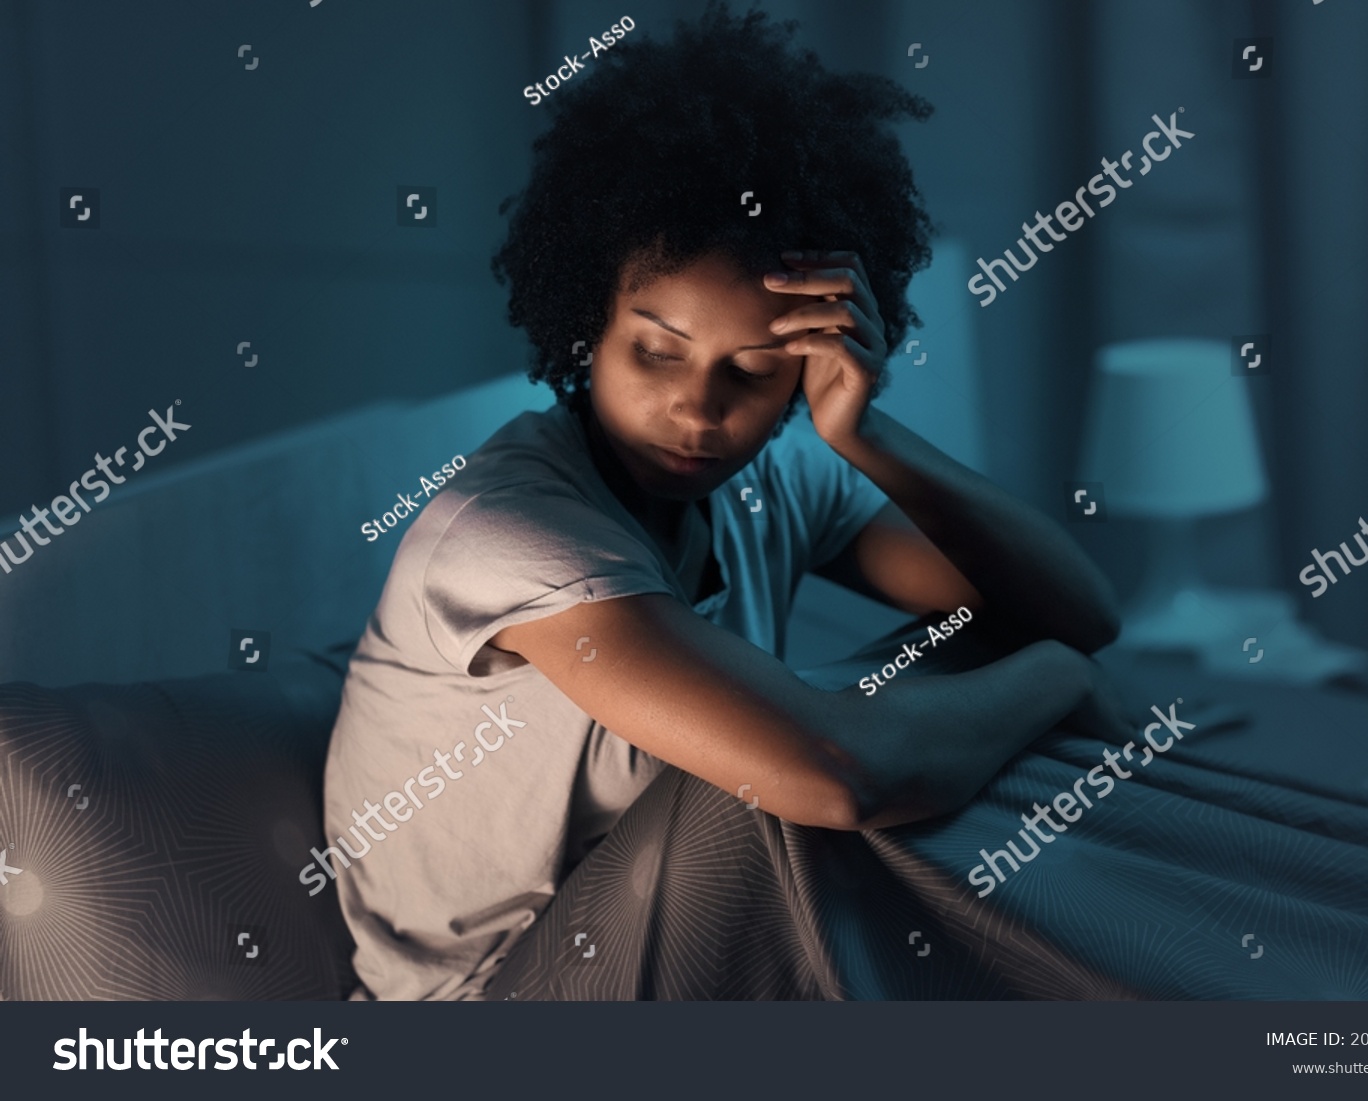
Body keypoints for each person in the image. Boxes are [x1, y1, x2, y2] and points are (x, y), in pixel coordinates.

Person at [320, 3, 1129, 1001]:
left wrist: (866, 437)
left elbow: (1072, 611)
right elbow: (842, 773)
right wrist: (1056, 680)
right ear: (584, 323)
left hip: (688, 963)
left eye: (751, 372)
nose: (697, 412)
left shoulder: (770, 484)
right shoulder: (507, 535)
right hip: (496, 1001)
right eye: (655, 353)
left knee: (943, 679)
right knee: (788, 777)